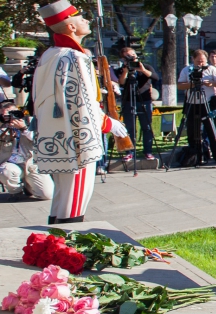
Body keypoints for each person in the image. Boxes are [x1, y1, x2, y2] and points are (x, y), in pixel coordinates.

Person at [34, 0, 128, 224]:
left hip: (57, 136)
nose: (86, 19)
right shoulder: (75, 58)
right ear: (71, 27)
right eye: (79, 16)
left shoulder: (50, 55)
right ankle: (66, 250)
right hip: (78, 138)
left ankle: (53, 246)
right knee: (75, 199)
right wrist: (107, 124)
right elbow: (82, 102)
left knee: (62, 198)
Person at [177, 49, 216, 164]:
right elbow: (179, 85)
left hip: (207, 103)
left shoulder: (211, 69)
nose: (200, 64)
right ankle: (195, 156)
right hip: (192, 103)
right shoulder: (187, 70)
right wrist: (192, 84)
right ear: (193, 59)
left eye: (203, 61)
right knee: (193, 131)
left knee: (212, 130)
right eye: (198, 61)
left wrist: (211, 83)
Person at [0, 102, 53, 201]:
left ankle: (28, 186)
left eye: (13, 113)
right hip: (11, 164)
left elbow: (39, 140)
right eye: (6, 115)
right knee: (5, 171)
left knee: (47, 195)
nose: (10, 117)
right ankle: (15, 192)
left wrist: (24, 128)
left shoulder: (30, 121)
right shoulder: (2, 126)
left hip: (32, 164)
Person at [116, 47, 159, 161]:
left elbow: (155, 77)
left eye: (133, 55)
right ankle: (130, 152)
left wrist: (142, 70)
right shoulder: (122, 69)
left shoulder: (146, 66)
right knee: (129, 128)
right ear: (123, 58)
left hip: (144, 101)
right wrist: (125, 71)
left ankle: (148, 151)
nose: (131, 58)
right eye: (128, 56)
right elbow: (121, 82)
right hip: (129, 101)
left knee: (147, 127)